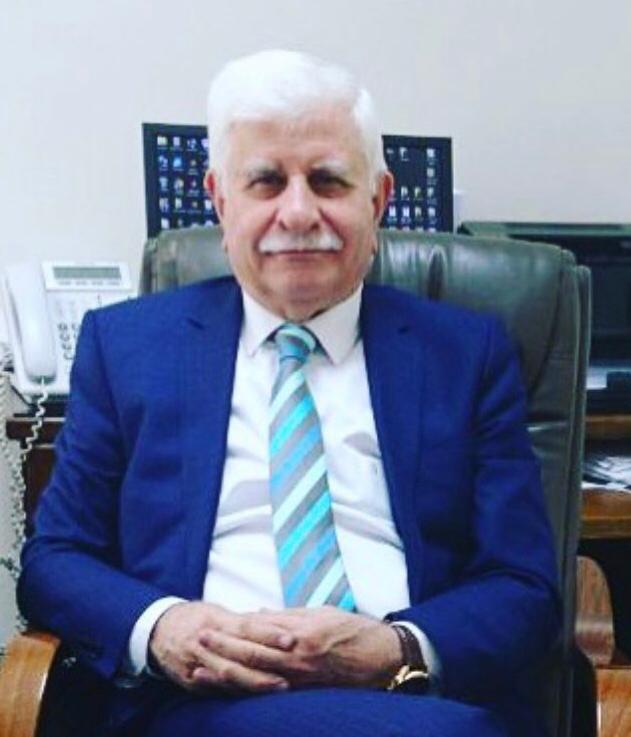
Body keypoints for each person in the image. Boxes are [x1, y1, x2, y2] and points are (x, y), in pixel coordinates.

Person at [18, 50, 560, 737]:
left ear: (377, 199)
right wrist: (164, 626)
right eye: (266, 182)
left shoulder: (465, 353)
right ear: (221, 200)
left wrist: (394, 646)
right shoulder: (127, 347)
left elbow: (523, 585)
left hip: (415, 701)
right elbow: (54, 559)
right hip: (197, 705)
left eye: (328, 180)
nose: (298, 212)